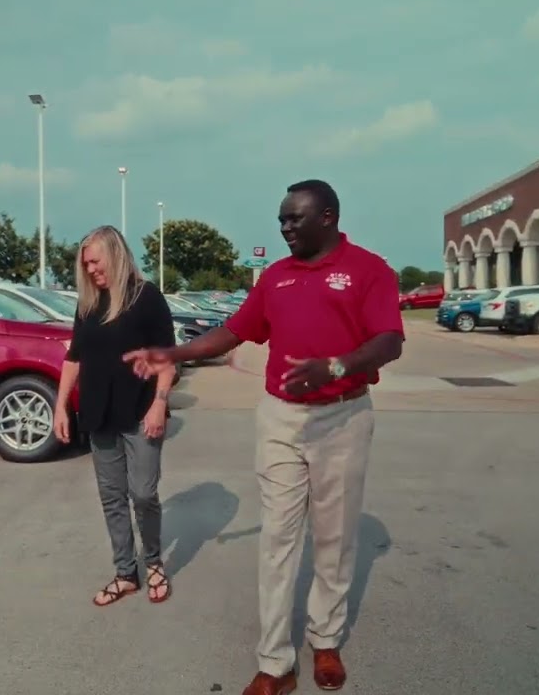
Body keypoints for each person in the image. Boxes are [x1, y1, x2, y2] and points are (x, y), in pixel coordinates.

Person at [124, 179, 403, 695]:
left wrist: (337, 365)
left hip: (343, 419)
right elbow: (235, 330)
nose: (285, 227)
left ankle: (325, 640)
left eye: (295, 218)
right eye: (281, 219)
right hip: (281, 419)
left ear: (328, 217)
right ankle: (276, 663)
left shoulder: (369, 270)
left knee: (335, 539)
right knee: (277, 540)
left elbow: (389, 340)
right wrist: (175, 354)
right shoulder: (276, 277)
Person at [54, 225, 178, 607]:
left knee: (143, 493)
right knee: (112, 497)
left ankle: (154, 562)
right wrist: (60, 405)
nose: (90, 269)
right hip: (97, 413)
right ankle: (126, 573)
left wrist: (159, 403)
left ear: (115, 253)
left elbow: (167, 360)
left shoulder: (147, 297)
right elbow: (74, 357)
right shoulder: (88, 304)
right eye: (85, 264)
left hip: (141, 411)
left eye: (95, 261)